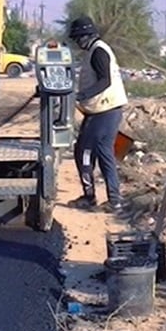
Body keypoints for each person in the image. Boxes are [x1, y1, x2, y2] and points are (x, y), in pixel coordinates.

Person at [66, 16, 129, 213]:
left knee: (83, 151)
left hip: (105, 110)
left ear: (86, 36)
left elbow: (105, 81)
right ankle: (114, 199)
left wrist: (81, 95)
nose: (77, 43)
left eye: (78, 38)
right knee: (104, 153)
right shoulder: (95, 49)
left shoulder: (98, 51)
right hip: (104, 110)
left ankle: (90, 197)